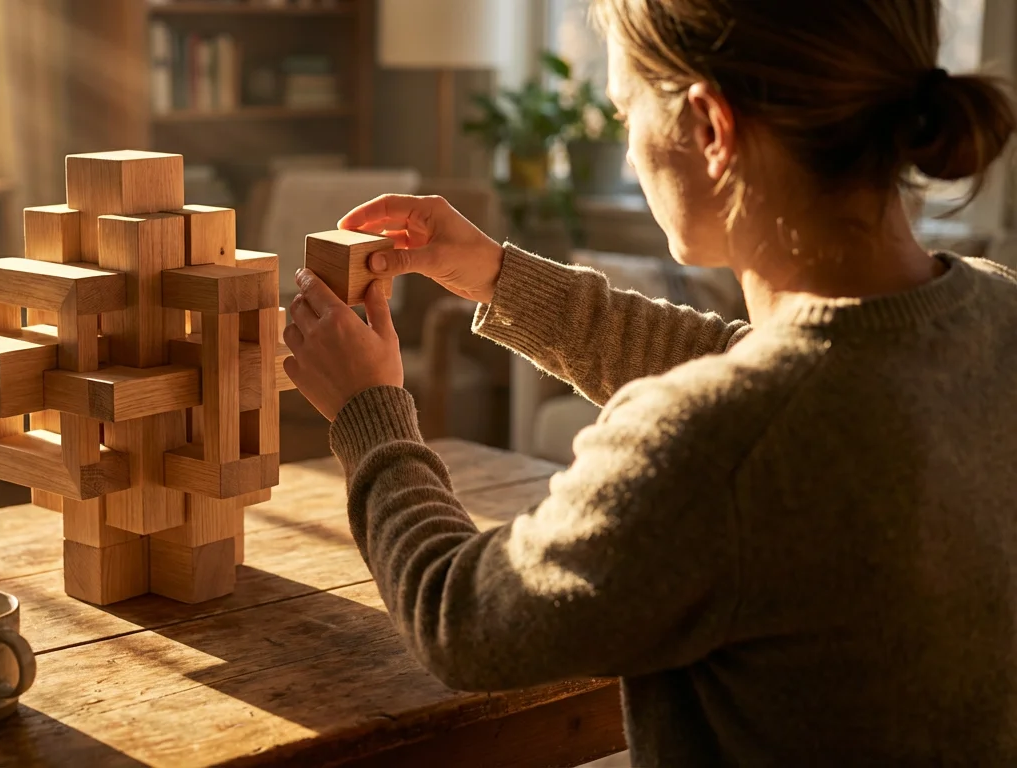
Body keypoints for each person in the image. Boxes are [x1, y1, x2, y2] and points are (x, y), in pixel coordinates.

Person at [280, 0, 1017, 764]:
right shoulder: (997, 314)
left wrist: (369, 413)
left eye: (623, 113)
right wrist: (498, 275)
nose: (629, 149)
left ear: (711, 128)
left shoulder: (715, 446)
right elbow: (756, 366)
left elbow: (458, 618)